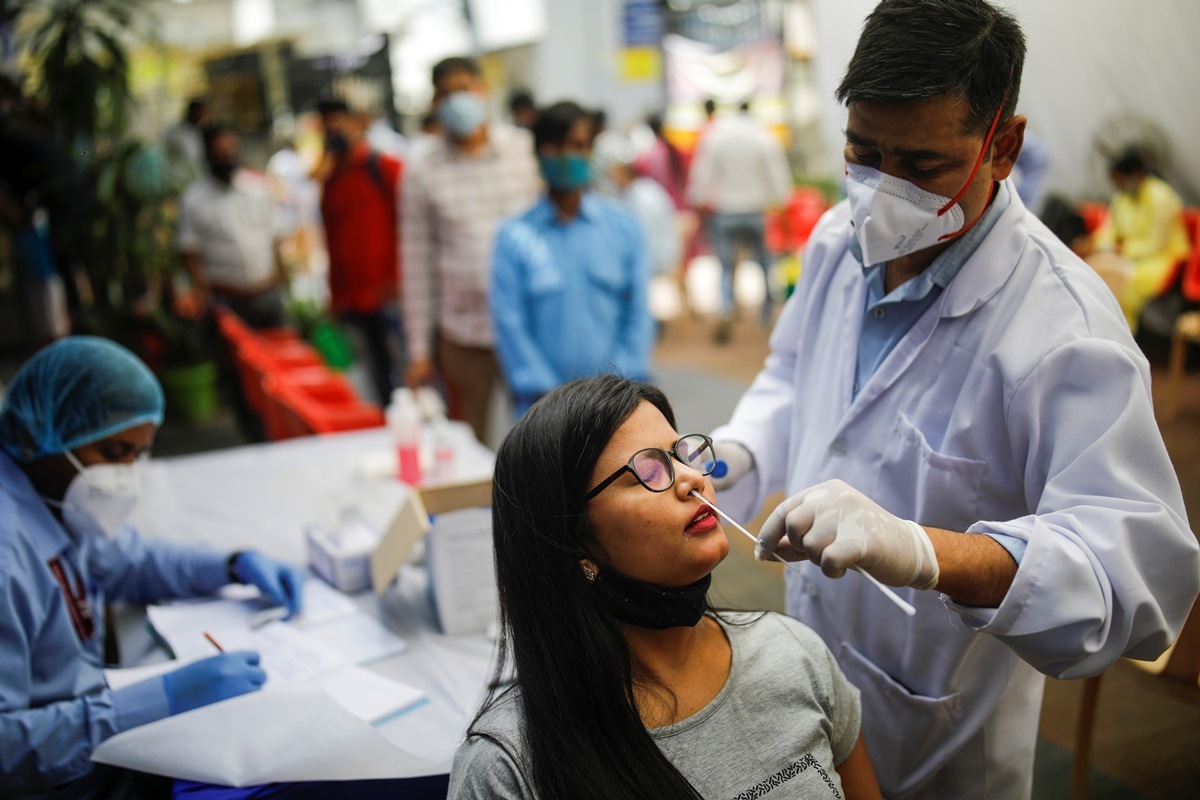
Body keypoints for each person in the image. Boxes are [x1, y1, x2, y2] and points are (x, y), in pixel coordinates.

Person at [708, 2, 1199, 798]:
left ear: (1004, 146)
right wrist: (741, 450)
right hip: (811, 673)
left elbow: (1132, 580)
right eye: (863, 153)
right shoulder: (837, 241)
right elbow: (793, 374)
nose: (883, 191)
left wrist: (927, 553)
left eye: (923, 164)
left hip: (938, 733)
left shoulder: (1063, 330)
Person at [448, 375, 881, 800]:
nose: (692, 479)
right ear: (576, 545)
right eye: (649, 470)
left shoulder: (794, 653)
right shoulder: (506, 770)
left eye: (682, 454)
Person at [0, 336, 306, 799]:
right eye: (114, 453)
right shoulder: (8, 558)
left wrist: (231, 564)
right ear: (35, 437)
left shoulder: (52, 497)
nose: (125, 475)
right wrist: (152, 702)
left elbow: (130, 560)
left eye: (138, 455)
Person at [401, 56, 541, 442]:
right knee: (467, 443)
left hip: (529, 326)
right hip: (463, 333)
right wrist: (419, 350)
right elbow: (416, 264)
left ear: (483, 90)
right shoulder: (421, 171)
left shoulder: (524, 150)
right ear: (435, 103)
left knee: (542, 438)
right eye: (445, 94)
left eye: (463, 88)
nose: (456, 100)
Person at [491, 103, 654, 417]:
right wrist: (551, 395)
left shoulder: (624, 228)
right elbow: (510, 321)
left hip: (616, 405)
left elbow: (638, 313)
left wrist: (614, 390)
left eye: (578, 146)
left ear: (591, 151)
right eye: (556, 145)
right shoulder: (514, 236)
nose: (567, 155)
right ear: (538, 154)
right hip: (541, 408)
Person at [315, 99, 405, 405]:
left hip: (388, 296)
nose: (333, 130)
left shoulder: (384, 168)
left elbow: (409, 228)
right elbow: (331, 239)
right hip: (352, 300)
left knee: (404, 371)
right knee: (374, 376)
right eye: (327, 125)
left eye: (339, 122)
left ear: (357, 124)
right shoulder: (331, 181)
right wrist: (335, 294)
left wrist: (397, 278)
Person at [687, 101, 793, 342]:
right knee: (765, 263)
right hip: (756, 209)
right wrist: (781, 198)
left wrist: (698, 197)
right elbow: (777, 173)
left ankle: (726, 308)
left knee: (726, 265)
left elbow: (702, 170)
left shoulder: (718, 136)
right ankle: (767, 313)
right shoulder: (763, 136)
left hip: (726, 210)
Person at [177, 125, 288, 329]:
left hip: (267, 295)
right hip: (226, 301)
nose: (227, 157)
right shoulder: (194, 200)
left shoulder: (257, 189)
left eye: (230, 150)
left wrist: (280, 279)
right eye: (220, 152)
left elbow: (275, 237)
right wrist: (204, 293)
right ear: (208, 155)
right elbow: (190, 252)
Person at [1095, 148, 1191, 330]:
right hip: (1126, 254)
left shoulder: (1161, 196)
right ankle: (1098, 329)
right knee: (1094, 269)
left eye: (1121, 180)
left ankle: (1121, 334)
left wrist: (1122, 250)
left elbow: (1156, 244)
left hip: (1162, 258)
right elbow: (1110, 231)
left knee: (1125, 280)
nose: (1118, 185)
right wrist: (1099, 245)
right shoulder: (1122, 195)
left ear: (1137, 175)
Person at [164, 97, 207, 185]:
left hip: (196, 177)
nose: (201, 117)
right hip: (178, 177)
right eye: (199, 113)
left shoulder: (197, 132)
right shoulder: (175, 131)